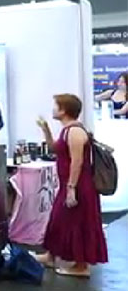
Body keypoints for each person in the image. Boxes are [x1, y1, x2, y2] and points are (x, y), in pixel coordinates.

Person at [35, 94, 108, 276]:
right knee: (58, 219)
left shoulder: (75, 131)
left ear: (64, 110)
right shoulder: (67, 130)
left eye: (56, 106)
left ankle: (81, 266)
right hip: (69, 184)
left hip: (79, 186)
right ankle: (51, 255)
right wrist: (45, 130)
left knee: (77, 222)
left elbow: (77, 162)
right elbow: (55, 149)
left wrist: (71, 188)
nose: (53, 109)